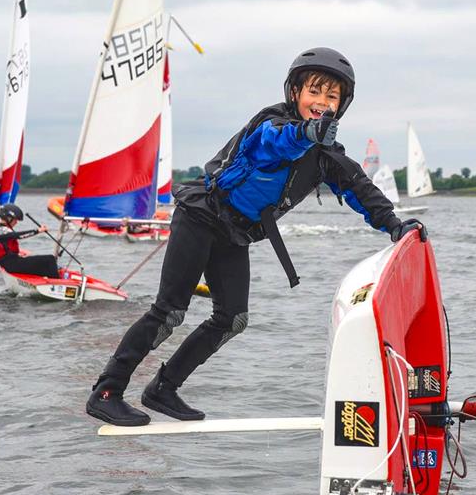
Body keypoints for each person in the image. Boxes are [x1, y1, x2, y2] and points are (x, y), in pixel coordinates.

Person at [86, 47, 425, 426]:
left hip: (235, 235)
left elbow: (360, 187)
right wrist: (307, 133)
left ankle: (163, 388)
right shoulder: (272, 125)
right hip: (200, 215)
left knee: (232, 319)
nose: (323, 102)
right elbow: (275, 143)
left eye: (333, 96)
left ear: (342, 105)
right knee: (170, 312)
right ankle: (107, 392)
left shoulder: (329, 155)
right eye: (316, 91)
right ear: (295, 92)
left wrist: (395, 225)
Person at [0, 203, 60, 278]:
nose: (16, 222)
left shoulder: (1, 229)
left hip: (10, 264)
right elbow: (18, 235)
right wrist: (38, 231)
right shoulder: (1, 229)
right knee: (50, 259)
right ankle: (58, 284)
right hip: (11, 265)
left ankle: (49, 280)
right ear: (8, 218)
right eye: (15, 219)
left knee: (43, 265)